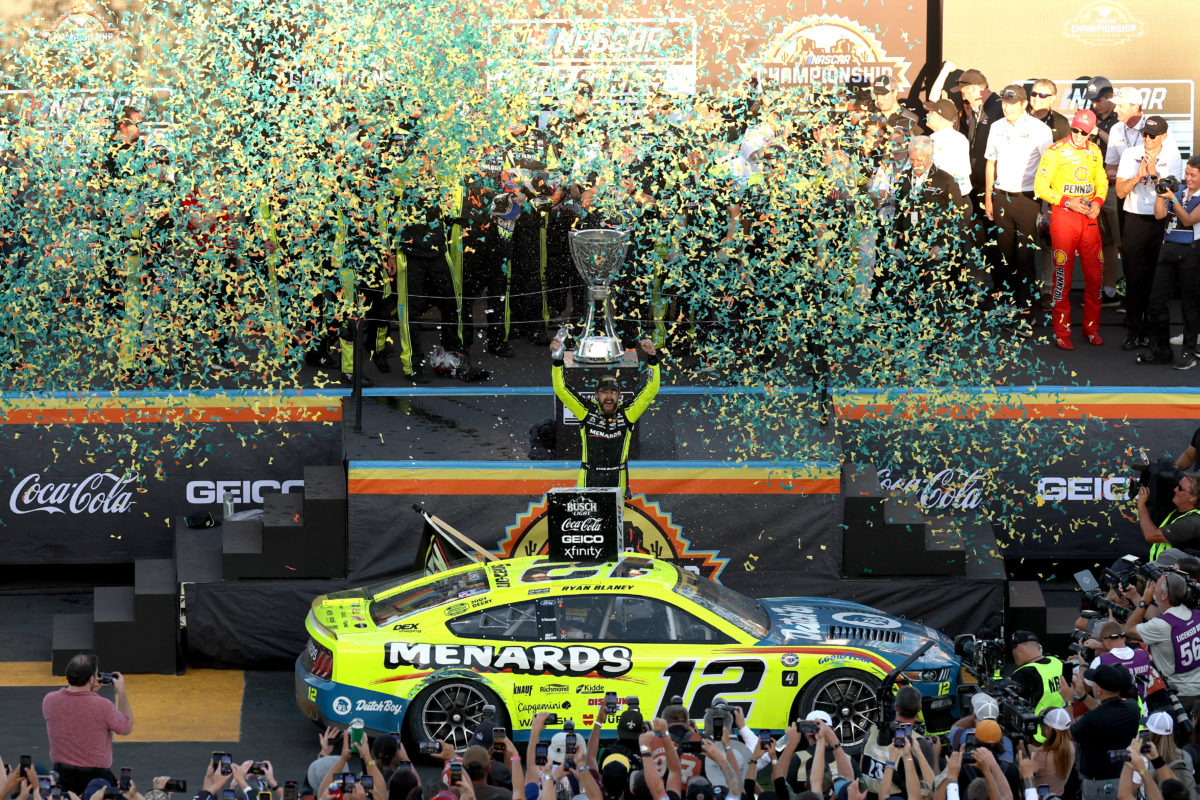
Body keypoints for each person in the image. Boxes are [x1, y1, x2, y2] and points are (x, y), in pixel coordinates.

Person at [1033, 109, 1107, 349]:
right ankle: (1062, 333)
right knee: (1062, 278)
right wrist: (1066, 201)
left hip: (1089, 220)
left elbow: (1102, 182)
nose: (1077, 135)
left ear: (1090, 132)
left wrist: (1097, 202)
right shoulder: (1055, 151)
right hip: (1064, 219)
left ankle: (1091, 329)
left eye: (1083, 132)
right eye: (1075, 129)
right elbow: (1041, 186)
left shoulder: (1095, 151)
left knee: (1095, 277)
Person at [550, 338, 660, 492]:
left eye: (613, 392)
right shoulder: (586, 410)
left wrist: (653, 357)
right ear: (596, 395)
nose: (609, 397)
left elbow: (651, 390)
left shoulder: (628, 412)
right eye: (604, 392)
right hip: (589, 479)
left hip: (617, 481)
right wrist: (557, 361)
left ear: (619, 395)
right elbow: (561, 389)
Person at [984, 85, 1053, 330]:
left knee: (1025, 259)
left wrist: (1046, 207)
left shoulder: (1040, 129)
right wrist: (989, 199)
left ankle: (1027, 313)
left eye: (1012, 103)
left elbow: (1048, 168)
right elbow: (990, 164)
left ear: (1024, 104)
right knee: (1006, 257)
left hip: (1027, 200)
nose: (1007, 107)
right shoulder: (996, 126)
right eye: (1004, 102)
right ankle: (1012, 306)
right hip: (1002, 198)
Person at [1115, 115, 1183, 356]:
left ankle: (1154, 333)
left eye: (1152, 136)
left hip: (1159, 221)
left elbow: (1168, 193)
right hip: (1133, 219)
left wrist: (1153, 172)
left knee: (1156, 280)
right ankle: (1135, 331)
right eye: (1144, 134)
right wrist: (1137, 176)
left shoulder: (1173, 156)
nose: (1147, 139)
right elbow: (1121, 193)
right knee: (1133, 279)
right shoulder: (1129, 154)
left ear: (1163, 136)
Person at [42, 654, 133, 794]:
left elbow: (75, 709)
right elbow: (125, 727)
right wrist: (121, 692)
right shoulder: (103, 706)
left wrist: (88, 692)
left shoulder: (49, 700)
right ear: (91, 679)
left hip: (61, 776)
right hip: (96, 779)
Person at [1146, 156, 1200, 369]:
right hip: (1168, 250)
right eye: (1186, 173)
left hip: (1191, 252)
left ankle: (1189, 352)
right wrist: (1161, 194)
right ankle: (1163, 351)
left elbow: (1188, 220)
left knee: (1189, 305)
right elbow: (1159, 215)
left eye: (1193, 175)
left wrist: (1174, 200)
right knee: (1156, 301)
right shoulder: (1179, 190)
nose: (1187, 178)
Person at [1126, 573, 1200, 709]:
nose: (1152, 586)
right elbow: (1161, 616)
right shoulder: (1195, 613)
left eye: (1156, 585)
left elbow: (1129, 629)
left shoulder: (1162, 626)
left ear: (1164, 595)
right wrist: (1135, 596)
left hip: (1180, 695)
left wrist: (1144, 601)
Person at [1070, 663, 1141, 800]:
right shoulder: (1132, 708)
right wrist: (1083, 696)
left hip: (1098, 785)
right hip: (1125, 777)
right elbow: (1103, 710)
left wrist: (1068, 701)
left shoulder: (1091, 719)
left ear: (1099, 690)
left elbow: (1068, 734)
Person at [1136, 472, 1200, 559]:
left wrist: (1141, 505)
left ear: (1193, 498)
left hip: (1175, 571)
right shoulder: (1176, 511)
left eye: (1180, 488)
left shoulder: (1191, 523)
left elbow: (1151, 536)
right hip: (1160, 569)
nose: (1175, 489)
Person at [1010, 630, 1069, 715]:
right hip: (1064, 725)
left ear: (1019, 648)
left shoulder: (1024, 674)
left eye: (1013, 649)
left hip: (1041, 727)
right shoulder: (1058, 662)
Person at [925, 99, 972, 197]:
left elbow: (945, 176)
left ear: (940, 117)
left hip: (948, 200)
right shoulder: (959, 138)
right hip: (954, 197)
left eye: (931, 113)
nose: (926, 115)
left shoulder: (943, 140)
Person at [1028, 707, 1075, 796]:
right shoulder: (1069, 747)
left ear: (1049, 729)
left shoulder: (1041, 758)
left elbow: (1023, 774)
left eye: (1042, 723)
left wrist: (1020, 749)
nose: (1040, 726)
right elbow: (1043, 751)